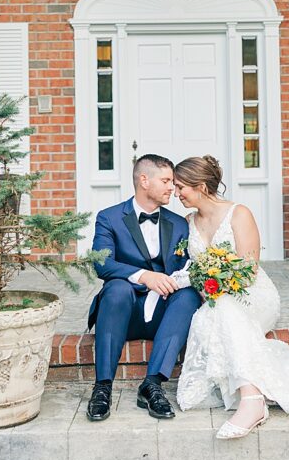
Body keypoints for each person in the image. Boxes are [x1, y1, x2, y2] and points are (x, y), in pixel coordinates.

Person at [173, 155, 289, 438]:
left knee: (220, 309)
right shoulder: (188, 221)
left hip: (253, 296)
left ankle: (251, 401)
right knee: (216, 311)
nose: (176, 194)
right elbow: (194, 269)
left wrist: (215, 283)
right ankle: (253, 397)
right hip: (215, 298)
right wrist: (200, 282)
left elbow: (248, 270)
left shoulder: (239, 213)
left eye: (180, 187)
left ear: (199, 185)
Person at [86, 154, 202, 422]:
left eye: (172, 182)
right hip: (122, 314)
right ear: (144, 180)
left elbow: (185, 267)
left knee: (187, 295)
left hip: (164, 314)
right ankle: (102, 387)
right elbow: (102, 264)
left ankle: (152, 384)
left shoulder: (179, 224)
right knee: (116, 288)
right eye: (166, 181)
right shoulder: (109, 218)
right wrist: (143, 276)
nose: (172, 188)